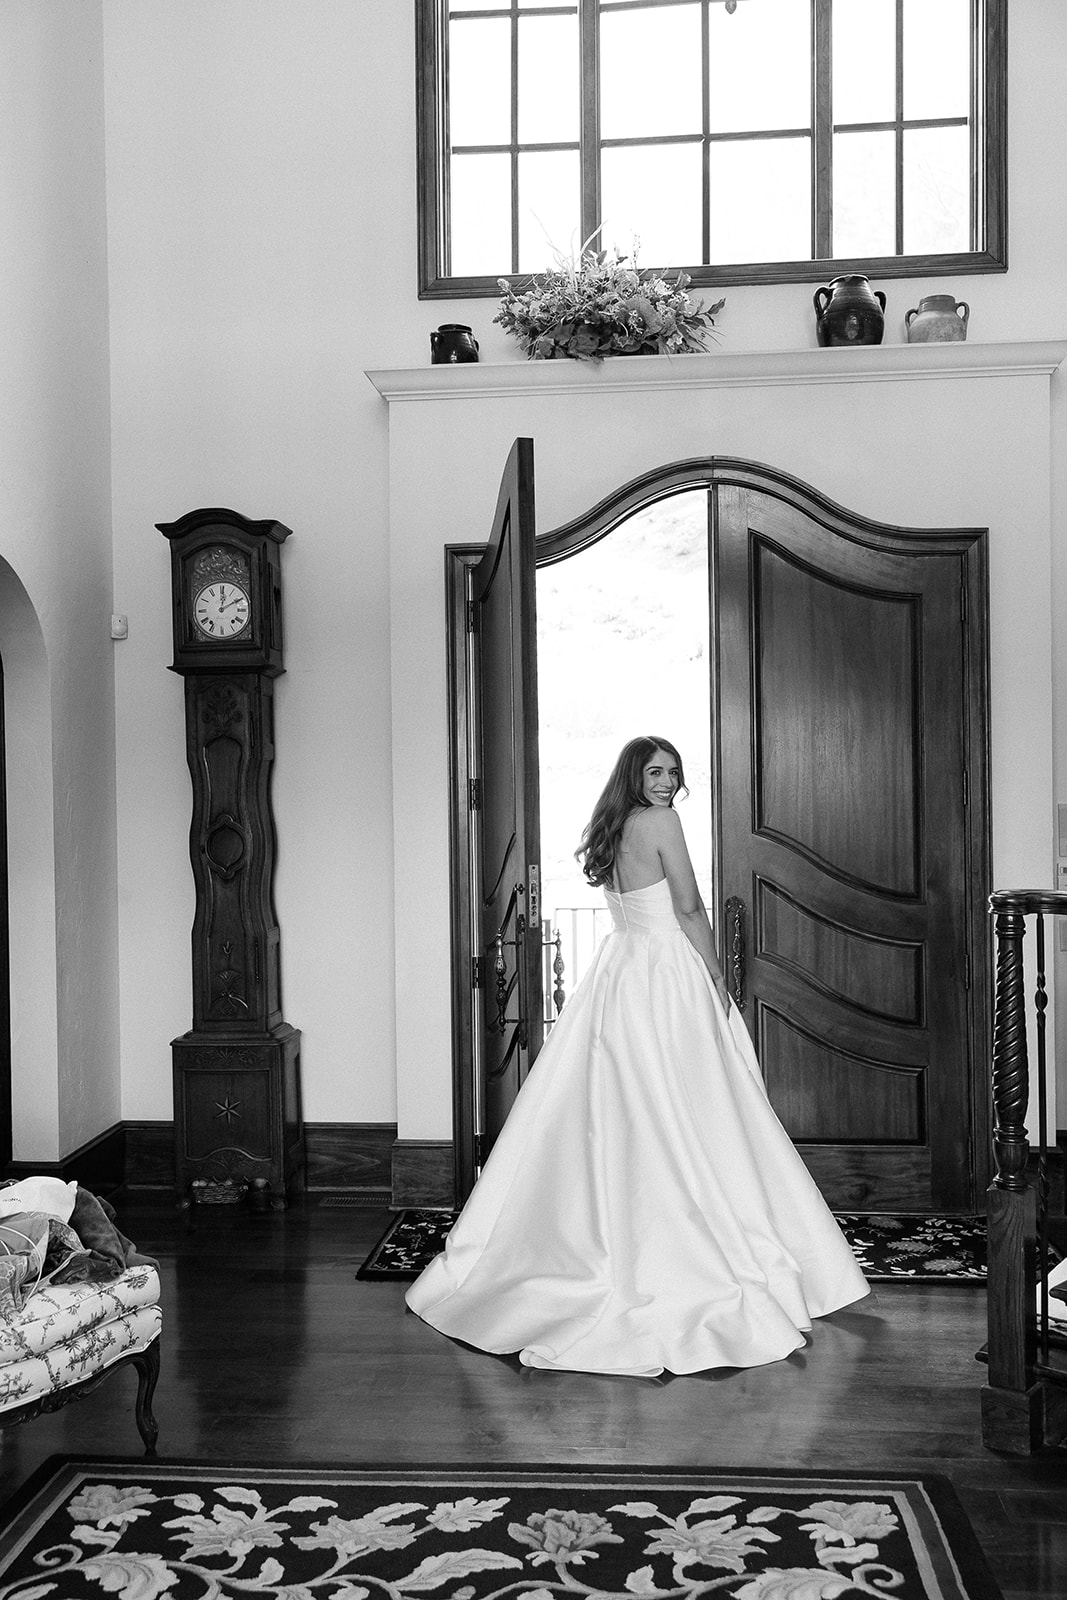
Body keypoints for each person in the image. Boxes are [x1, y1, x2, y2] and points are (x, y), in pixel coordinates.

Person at [405, 735, 869, 1376]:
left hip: (620, 971)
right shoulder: (662, 822)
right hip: (665, 973)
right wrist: (717, 978)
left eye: (673, 772)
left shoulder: (615, 826)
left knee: (626, 1106)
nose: (666, 780)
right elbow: (687, 905)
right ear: (635, 774)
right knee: (694, 1102)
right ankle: (694, 1235)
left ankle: (610, 1226)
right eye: (655, 770)